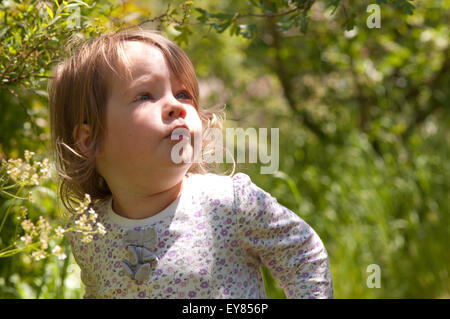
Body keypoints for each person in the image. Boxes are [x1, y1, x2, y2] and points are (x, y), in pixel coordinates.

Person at [48, 28, 333, 299]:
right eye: (145, 95)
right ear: (89, 139)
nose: (176, 105)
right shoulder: (90, 232)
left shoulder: (228, 204)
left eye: (183, 94)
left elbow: (304, 255)